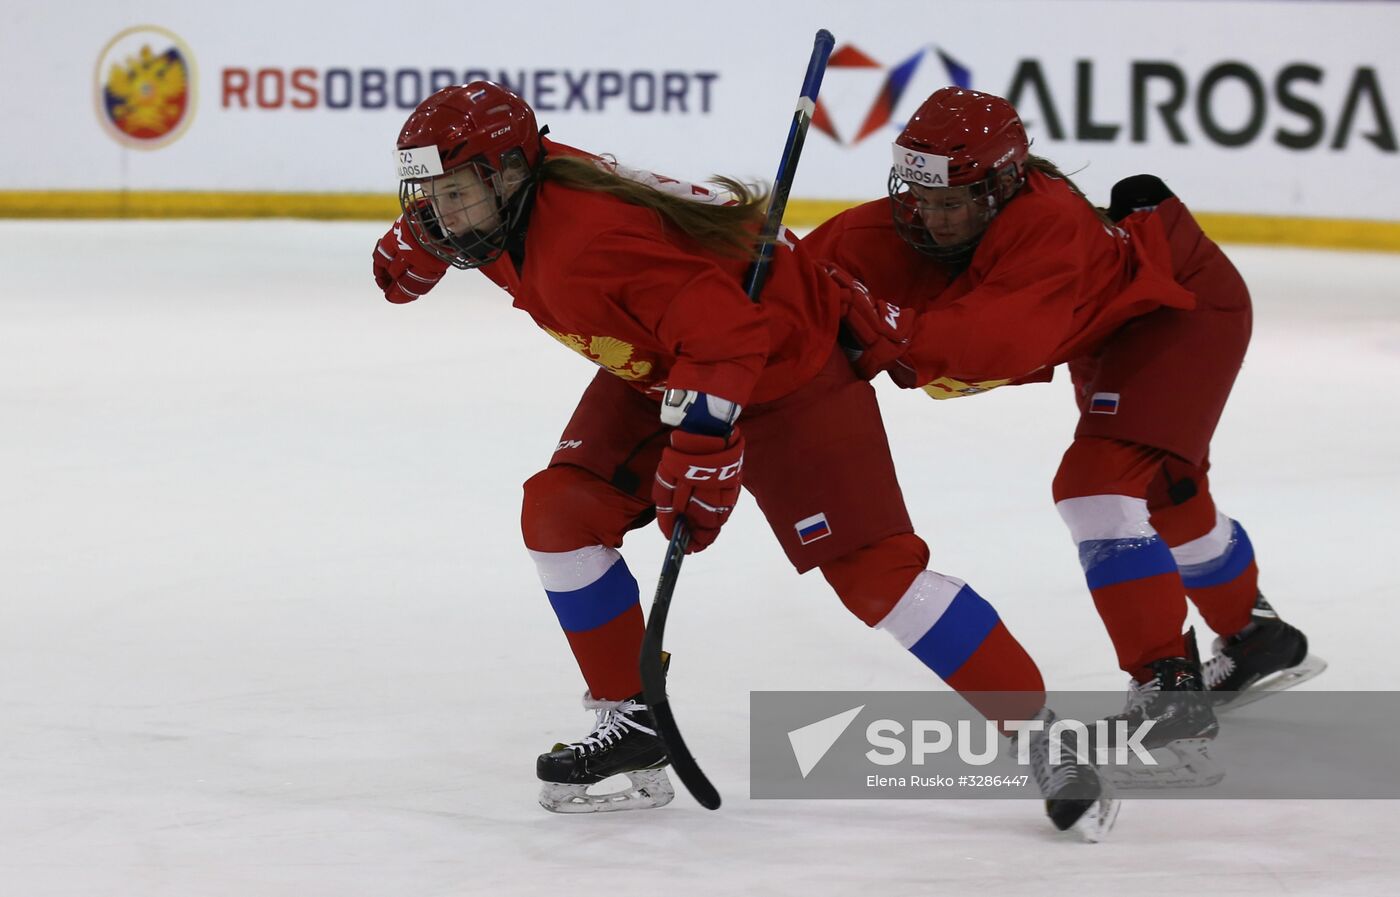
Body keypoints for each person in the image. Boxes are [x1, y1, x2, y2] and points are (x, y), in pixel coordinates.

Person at [372, 81, 1116, 836]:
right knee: (559, 509)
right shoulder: (511, 209)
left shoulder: (586, 243)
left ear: (506, 175)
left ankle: (1045, 731)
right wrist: (424, 236)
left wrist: (702, 443)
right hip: (666, 360)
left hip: (788, 369)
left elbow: (730, 332)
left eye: (451, 194)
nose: (436, 214)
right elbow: (688, 329)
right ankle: (632, 721)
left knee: (878, 578)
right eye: (425, 196)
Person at [808, 87, 1323, 777]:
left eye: (951, 201)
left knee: (1095, 489)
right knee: (1167, 495)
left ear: (1000, 186)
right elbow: (809, 270)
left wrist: (883, 330)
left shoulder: (1049, 226)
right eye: (917, 196)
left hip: (1184, 313)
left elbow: (991, 341)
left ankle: (1170, 691)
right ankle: (1260, 638)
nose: (929, 217)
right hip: (1112, 327)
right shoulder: (928, 217)